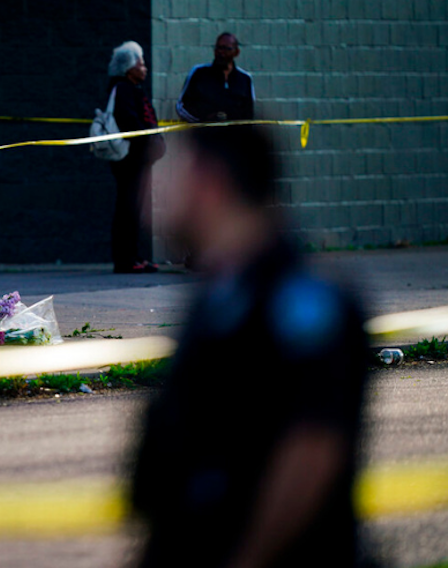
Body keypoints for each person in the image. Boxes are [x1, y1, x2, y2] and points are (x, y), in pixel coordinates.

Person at [128, 125, 370, 568]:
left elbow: (310, 453)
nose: (153, 185)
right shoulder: (219, 295)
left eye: (169, 168)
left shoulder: (305, 302)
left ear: (210, 182)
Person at [105, 41, 165, 274]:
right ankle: (126, 260)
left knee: (136, 208)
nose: (144, 67)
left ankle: (134, 257)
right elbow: (131, 123)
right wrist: (151, 143)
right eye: (140, 63)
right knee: (128, 209)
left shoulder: (133, 89)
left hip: (139, 161)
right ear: (127, 68)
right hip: (130, 161)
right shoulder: (123, 90)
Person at [176, 32, 255, 123]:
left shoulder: (245, 79)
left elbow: (249, 115)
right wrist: (202, 120)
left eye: (226, 49)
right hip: (203, 134)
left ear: (236, 52)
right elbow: (181, 106)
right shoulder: (199, 73)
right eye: (218, 48)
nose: (221, 53)